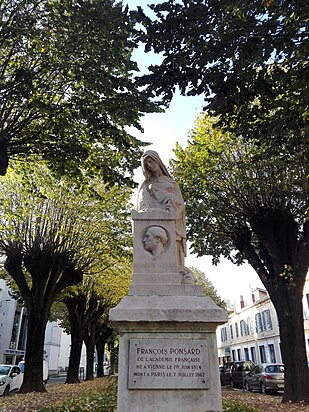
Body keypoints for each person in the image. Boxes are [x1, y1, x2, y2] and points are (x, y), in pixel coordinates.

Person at [136, 150, 186, 268]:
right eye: (146, 163)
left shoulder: (172, 183)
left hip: (171, 221)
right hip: (152, 218)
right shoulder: (145, 184)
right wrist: (146, 210)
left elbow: (180, 205)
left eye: (151, 161)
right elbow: (142, 201)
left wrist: (174, 213)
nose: (149, 165)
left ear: (157, 161)